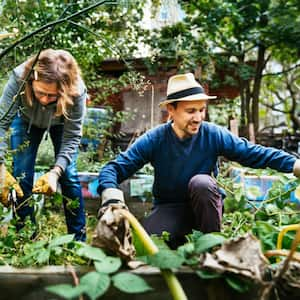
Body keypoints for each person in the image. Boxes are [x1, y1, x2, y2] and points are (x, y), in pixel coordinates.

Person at [96, 72, 300, 249]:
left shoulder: (213, 134)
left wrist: (294, 164)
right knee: (143, 247)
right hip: (169, 208)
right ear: (171, 110)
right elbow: (113, 169)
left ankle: (213, 247)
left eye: (201, 109)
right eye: (190, 111)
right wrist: (113, 198)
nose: (198, 117)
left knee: (201, 182)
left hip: (205, 209)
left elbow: (255, 153)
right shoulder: (155, 139)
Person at [0, 49, 87, 241]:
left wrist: (55, 172)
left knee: (69, 176)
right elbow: (1, 123)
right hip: (25, 119)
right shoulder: (18, 78)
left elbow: (72, 137)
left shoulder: (76, 91)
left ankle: (78, 241)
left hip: (61, 120)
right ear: (32, 80)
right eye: (41, 93)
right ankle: (26, 237)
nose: (45, 100)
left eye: (52, 96)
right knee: (21, 174)